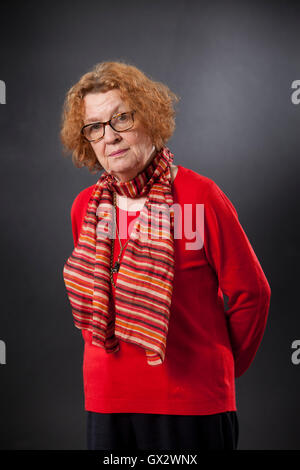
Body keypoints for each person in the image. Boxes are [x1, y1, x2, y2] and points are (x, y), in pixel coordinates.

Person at [61, 61, 271, 451]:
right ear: (86, 139)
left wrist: (218, 367)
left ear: (150, 117)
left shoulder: (201, 196)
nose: (111, 136)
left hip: (192, 403)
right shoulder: (84, 209)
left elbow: (252, 294)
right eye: (95, 127)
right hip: (108, 401)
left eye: (121, 118)